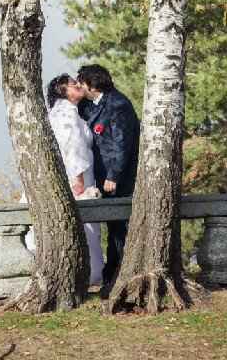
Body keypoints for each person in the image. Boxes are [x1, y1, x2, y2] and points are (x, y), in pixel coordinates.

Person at [25, 73, 104, 287]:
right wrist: (78, 179)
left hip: (76, 174)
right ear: (61, 90)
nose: (78, 85)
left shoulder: (64, 112)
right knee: (84, 225)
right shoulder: (66, 113)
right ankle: (89, 272)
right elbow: (72, 146)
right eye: (72, 83)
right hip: (75, 177)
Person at [76, 64, 140, 297]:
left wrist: (113, 175)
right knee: (113, 229)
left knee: (119, 228)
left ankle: (119, 278)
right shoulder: (92, 103)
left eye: (81, 81)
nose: (79, 85)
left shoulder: (118, 105)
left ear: (92, 85)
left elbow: (122, 144)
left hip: (119, 178)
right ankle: (111, 276)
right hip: (101, 176)